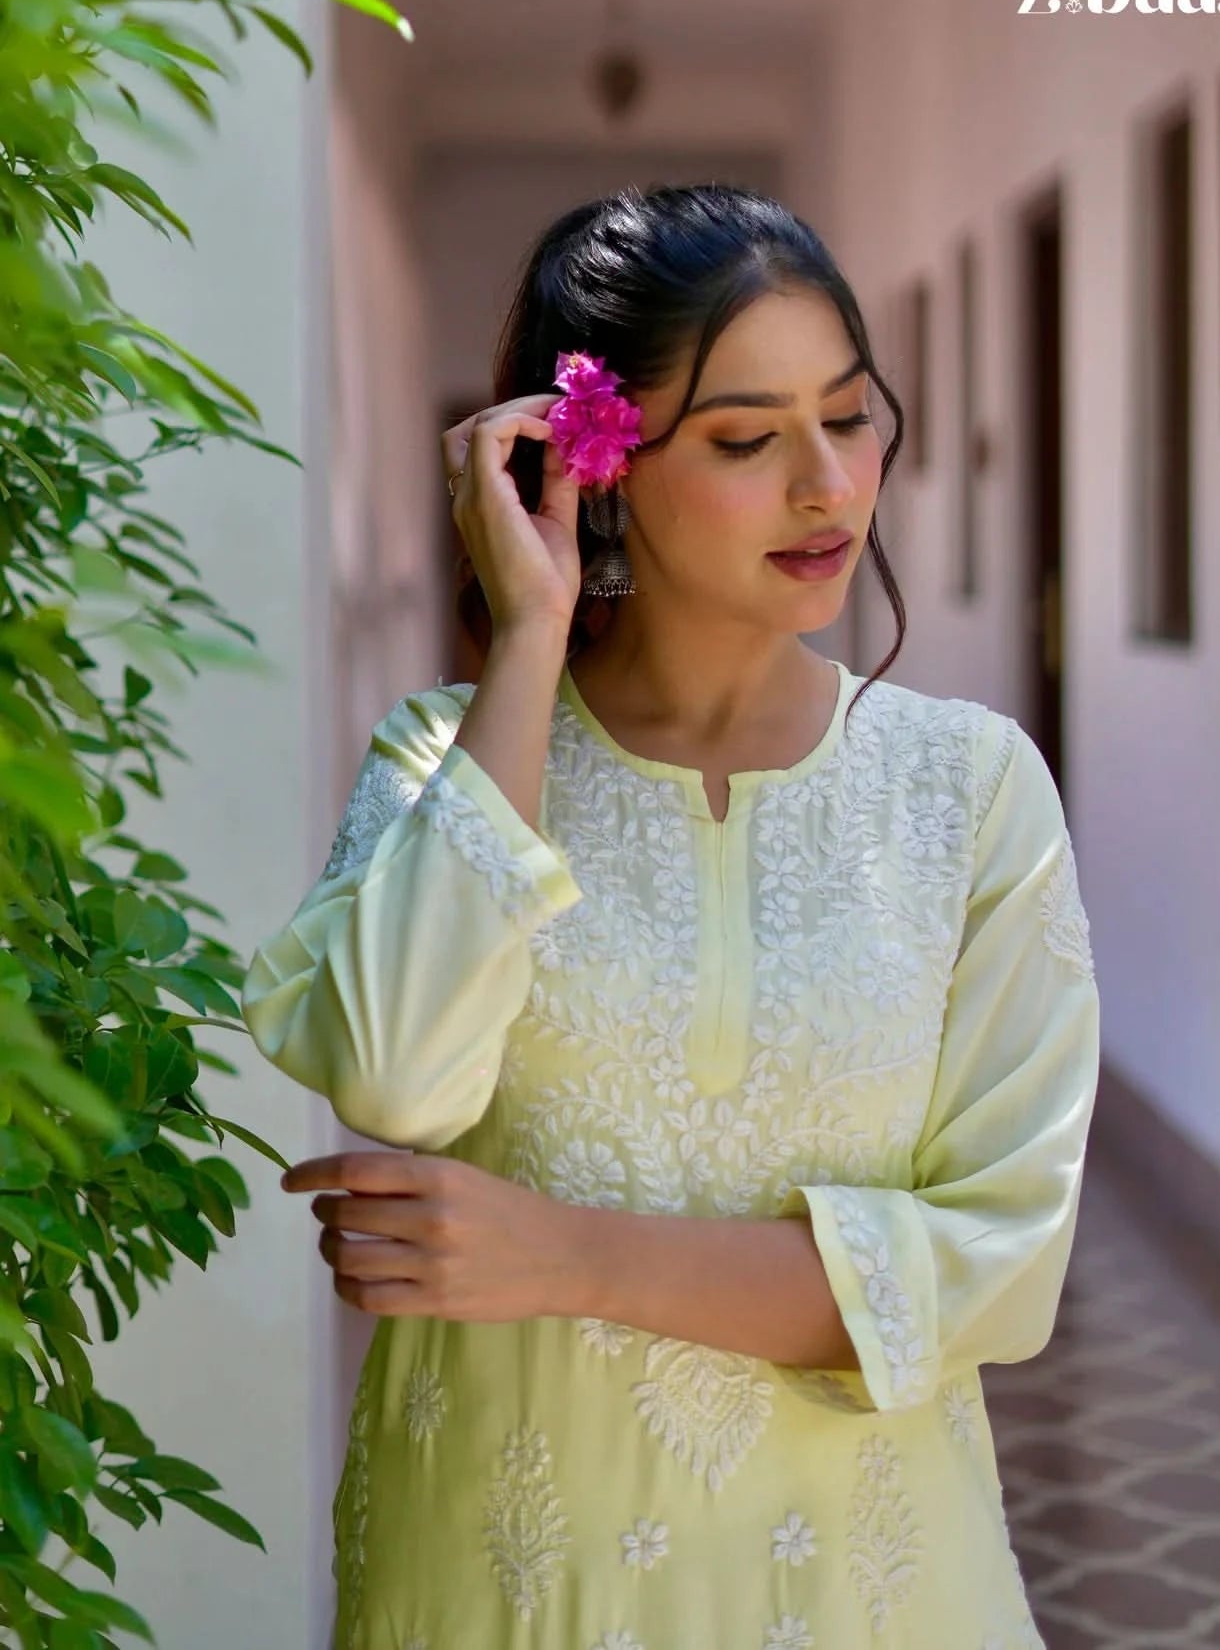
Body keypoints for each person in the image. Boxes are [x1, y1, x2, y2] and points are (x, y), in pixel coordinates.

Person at [241, 183, 1101, 1650]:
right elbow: (391, 1074)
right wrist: (525, 640)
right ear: (603, 463)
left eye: (853, 415)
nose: (831, 485)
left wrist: (564, 1255)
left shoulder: (971, 789)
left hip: (873, 1589)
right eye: (749, 439)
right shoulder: (442, 757)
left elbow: (999, 1263)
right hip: (508, 1578)